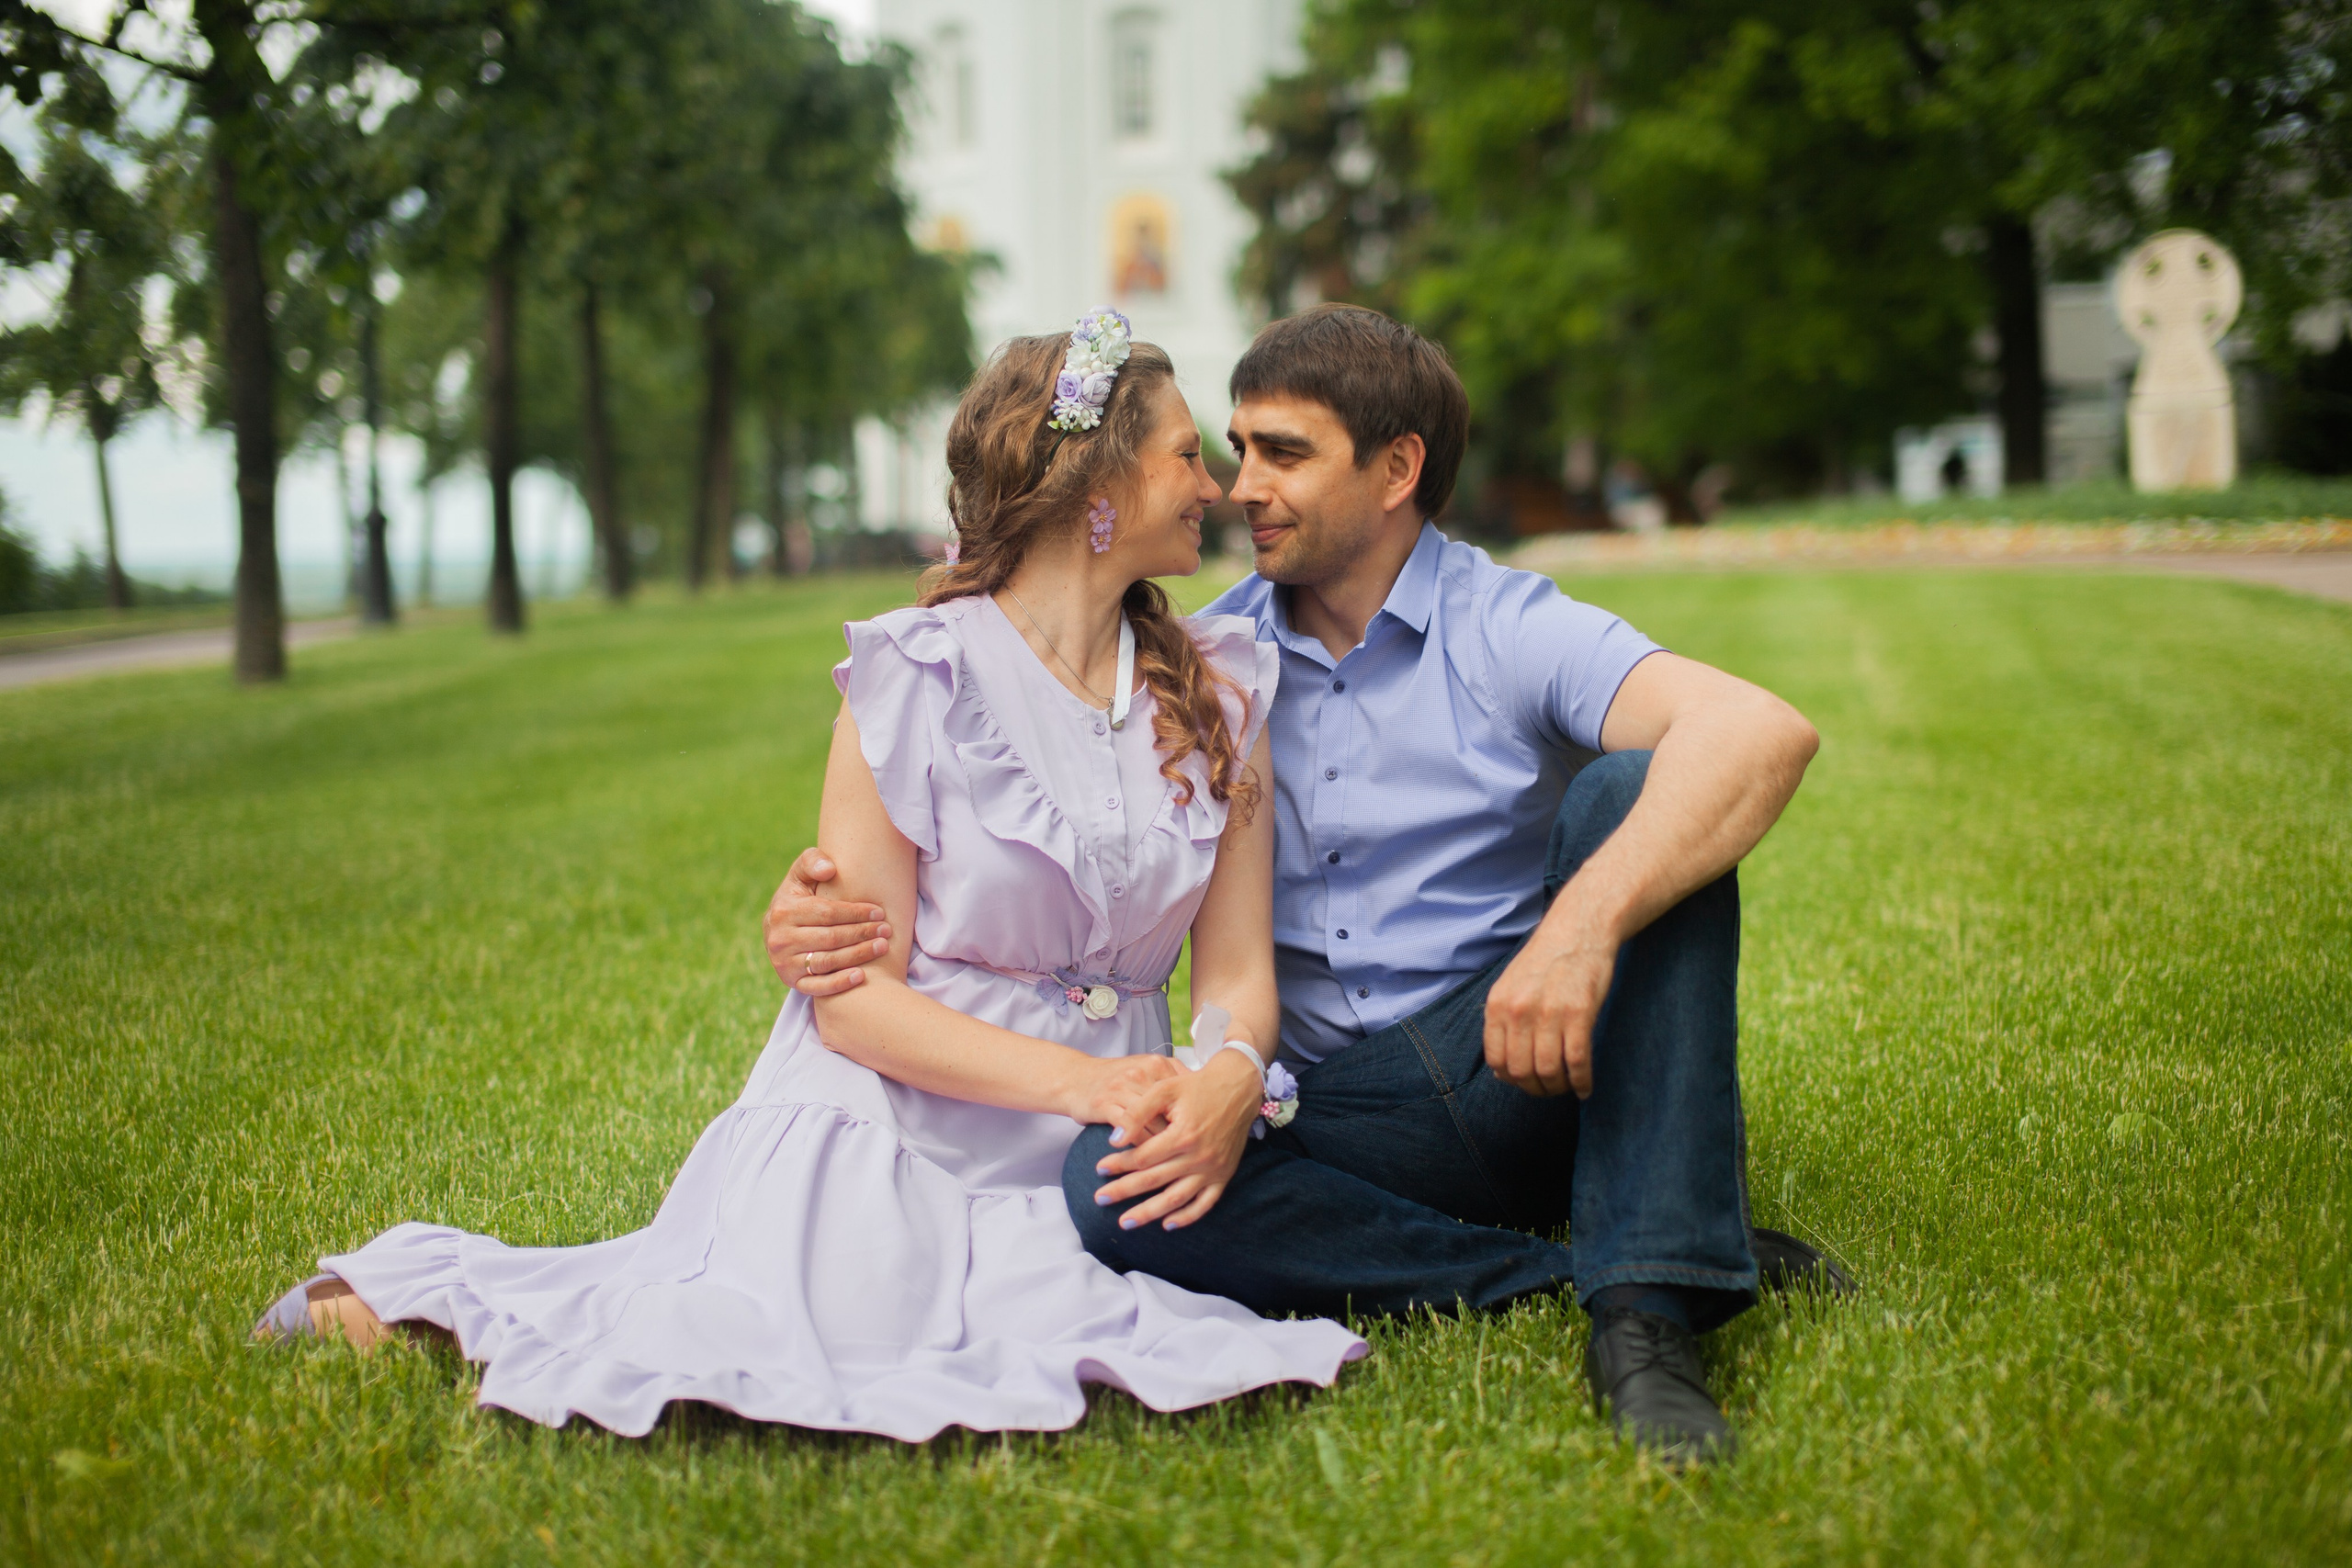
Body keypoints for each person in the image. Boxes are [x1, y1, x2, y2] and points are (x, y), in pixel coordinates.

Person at [251, 310, 1366, 1440]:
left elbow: (1237, 976)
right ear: (1098, 482)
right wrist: (1087, 1085)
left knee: (1054, 1297)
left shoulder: (1220, 691)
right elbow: (854, 1003)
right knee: (806, 1322)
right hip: (899, 1109)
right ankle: (416, 1310)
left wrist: (1225, 1072)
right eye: (1186, 455)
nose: (1216, 486)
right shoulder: (917, 675)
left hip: (1106, 1133)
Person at [768, 304, 1845, 1465]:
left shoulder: (1506, 627)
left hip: (1519, 1063)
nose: (1239, 488)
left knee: (1639, 797)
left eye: (1282, 454)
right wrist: (823, 909)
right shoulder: (1206, 668)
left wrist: (1577, 930)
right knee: (1120, 1185)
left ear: (1396, 470)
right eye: (1231, 450)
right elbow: (1060, 815)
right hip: (1329, 1112)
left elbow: (1756, 730)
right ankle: (1583, 1258)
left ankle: (1644, 1320)